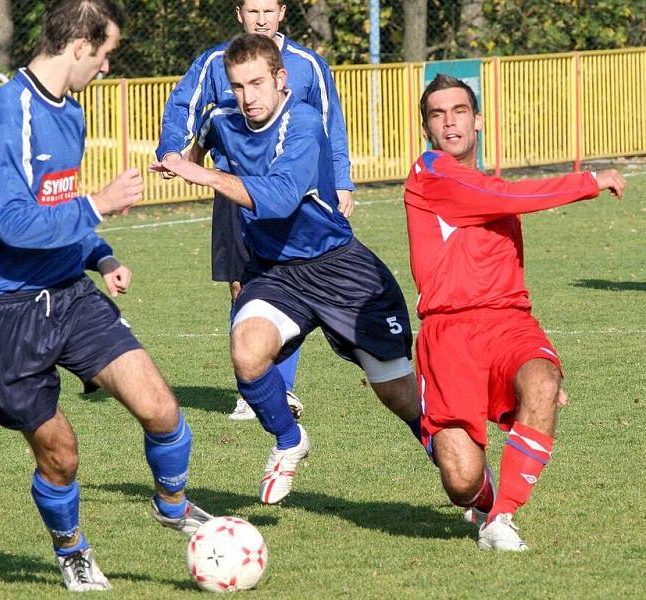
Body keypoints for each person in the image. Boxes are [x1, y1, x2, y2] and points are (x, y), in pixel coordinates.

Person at [0, 0, 211, 591]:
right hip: (4, 311)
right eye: (105, 54)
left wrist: (100, 254)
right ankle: (71, 548)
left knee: (161, 408)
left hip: (68, 294)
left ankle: (172, 505)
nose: (106, 67)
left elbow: (55, 204)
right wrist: (99, 203)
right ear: (78, 47)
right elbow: (16, 224)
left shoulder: (70, 114)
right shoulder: (7, 113)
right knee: (62, 455)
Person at [152, 34, 421, 506]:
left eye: (256, 83)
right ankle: (289, 440)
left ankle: (475, 491)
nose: (247, 96)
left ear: (280, 80)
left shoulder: (302, 123)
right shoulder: (223, 120)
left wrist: (205, 175)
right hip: (276, 272)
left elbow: (277, 199)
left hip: (339, 270)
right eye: (236, 86)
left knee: (401, 398)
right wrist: (180, 156)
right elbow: (197, 133)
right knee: (247, 352)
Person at [404, 73, 626, 551]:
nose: (450, 122)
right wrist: (588, 181)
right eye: (438, 115)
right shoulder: (431, 174)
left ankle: (501, 518)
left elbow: (498, 202)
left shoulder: (482, 181)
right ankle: (482, 501)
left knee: (543, 382)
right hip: (450, 333)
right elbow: (507, 197)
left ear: (477, 120)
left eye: (459, 111)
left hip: (509, 321)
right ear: (427, 128)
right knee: (461, 480)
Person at [157, 0, 356, 421]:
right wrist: (173, 153)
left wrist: (341, 181)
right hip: (235, 188)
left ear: (282, 13)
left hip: (296, 194)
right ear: (239, 14)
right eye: (253, 11)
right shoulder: (214, 62)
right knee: (241, 285)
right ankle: (254, 389)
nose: (261, 19)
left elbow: (329, 124)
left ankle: (279, 389)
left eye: (268, 10)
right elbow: (183, 107)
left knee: (291, 281)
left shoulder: (307, 64)